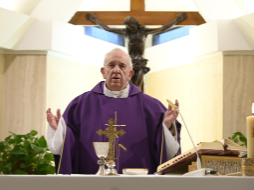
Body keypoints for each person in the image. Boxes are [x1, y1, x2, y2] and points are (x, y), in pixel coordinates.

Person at [46, 48, 181, 174]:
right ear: (103, 72)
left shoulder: (151, 107)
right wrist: (60, 132)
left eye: (122, 66)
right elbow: (68, 147)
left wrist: (167, 126)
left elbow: (166, 152)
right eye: (111, 65)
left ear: (130, 74)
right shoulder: (80, 105)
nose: (116, 70)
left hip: (138, 184)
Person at [85, 13, 187, 88]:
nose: (131, 27)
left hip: (140, 62)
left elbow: (162, 28)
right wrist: (95, 20)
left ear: (135, 23)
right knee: (129, 86)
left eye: (132, 25)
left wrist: (177, 20)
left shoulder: (143, 32)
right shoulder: (127, 33)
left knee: (137, 86)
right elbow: (109, 29)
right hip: (130, 63)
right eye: (129, 26)